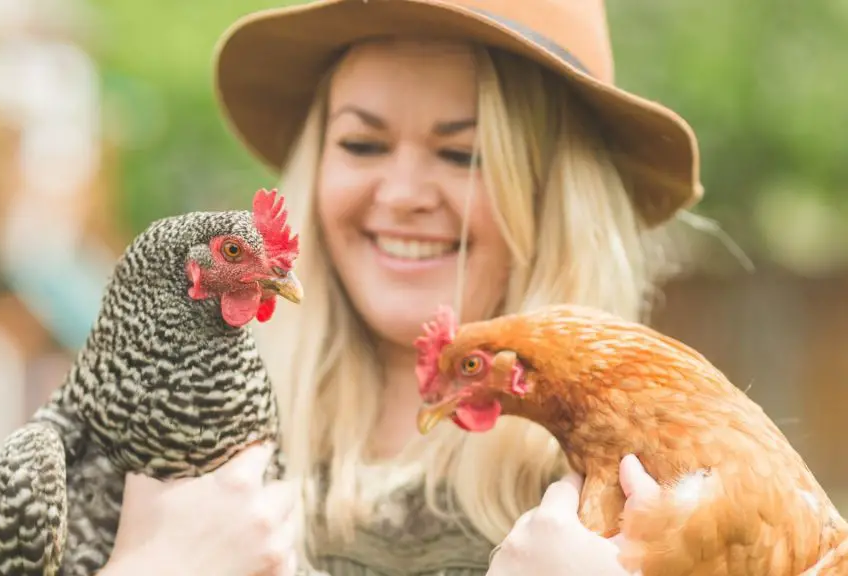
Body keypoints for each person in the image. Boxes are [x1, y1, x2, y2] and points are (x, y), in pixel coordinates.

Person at [102, 0, 705, 574]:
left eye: (463, 155)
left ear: (554, 196)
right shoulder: (171, 452)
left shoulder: (661, 494)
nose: (401, 194)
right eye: (363, 145)